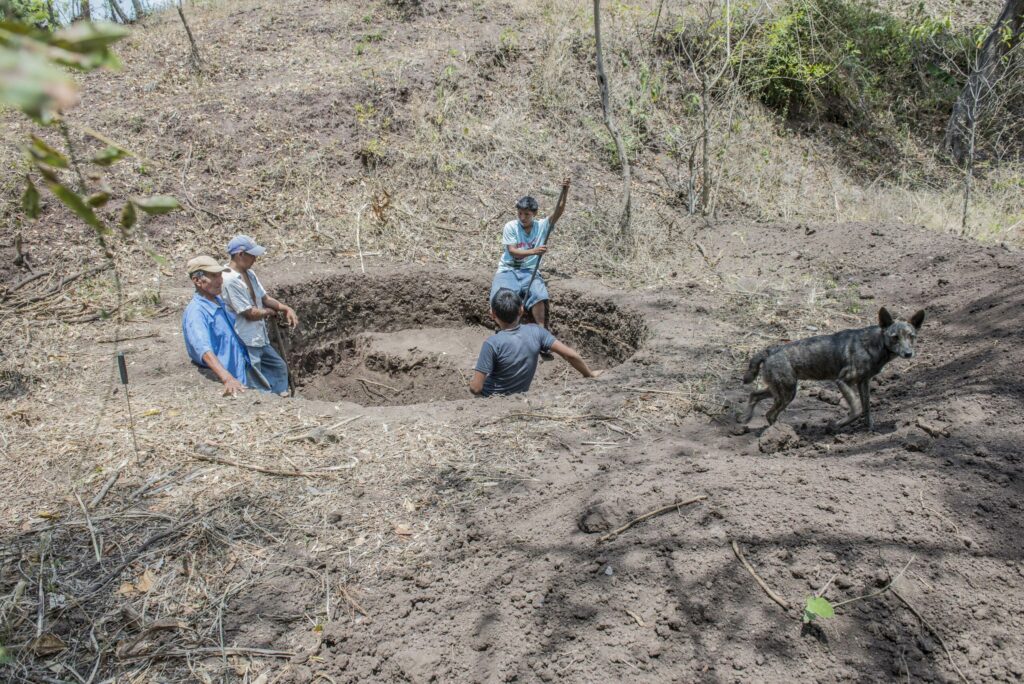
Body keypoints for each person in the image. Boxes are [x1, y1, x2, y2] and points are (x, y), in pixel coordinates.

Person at [470, 288, 598, 397]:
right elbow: (570, 355)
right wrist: (589, 374)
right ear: (521, 310)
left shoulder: (492, 343)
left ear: (492, 314)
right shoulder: (536, 332)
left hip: (490, 400)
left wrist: (470, 384)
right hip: (519, 398)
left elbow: (476, 388)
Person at [220, 235, 299, 397]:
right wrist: (268, 312)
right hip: (245, 339)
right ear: (240, 254)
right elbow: (249, 313)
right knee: (256, 378)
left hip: (259, 336)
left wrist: (285, 308)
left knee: (279, 367)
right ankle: (266, 403)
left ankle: (282, 397)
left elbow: (264, 298)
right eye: (252, 255)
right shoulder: (229, 280)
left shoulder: (250, 274)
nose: (255, 258)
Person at [489, 177, 570, 335]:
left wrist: (565, 191)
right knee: (501, 296)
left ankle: (541, 332)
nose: (522, 217)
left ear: (534, 214)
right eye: (520, 213)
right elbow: (513, 251)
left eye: (527, 214)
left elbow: (558, 211)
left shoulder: (542, 226)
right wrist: (534, 251)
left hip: (529, 271)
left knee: (539, 294)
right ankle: (502, 329)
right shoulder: (511, 226)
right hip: (508, 270)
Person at [181, 255, 257, 396]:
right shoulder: (197, 312)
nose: (220, 280)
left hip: (239, 371)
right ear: (197, 280)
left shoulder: (218, 302)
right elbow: (203, 350)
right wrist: (227, 378)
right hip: (228, 376)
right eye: (214, 276)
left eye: (220, 275)